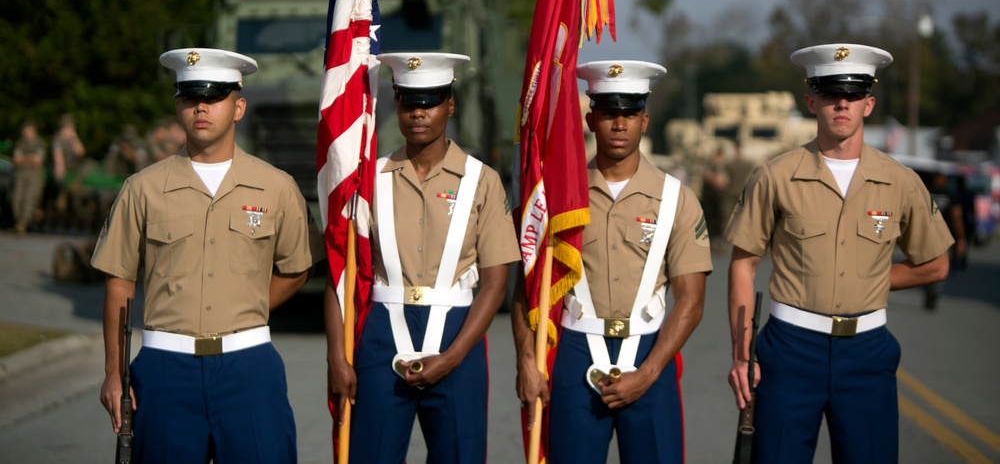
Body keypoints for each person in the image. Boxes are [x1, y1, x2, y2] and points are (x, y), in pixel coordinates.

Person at [91, 48, 324, 464]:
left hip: (249, 368)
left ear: (238, 107)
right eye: (189, 96)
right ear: (177, 106)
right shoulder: (142, 189)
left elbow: (298, 267)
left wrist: (247, 305)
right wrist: (114, 371)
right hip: (165, 370)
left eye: (214, 96)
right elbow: (120, 279)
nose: (200, 107)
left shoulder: (276, 187)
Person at [726, 43, 953, 464]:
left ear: (869, 103)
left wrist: (868, 279)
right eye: (831, 93)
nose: (842, 103)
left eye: (853, 93)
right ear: (812, 101)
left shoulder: (901, 181)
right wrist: (742, 355)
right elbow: (744, 264)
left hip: (868, 352)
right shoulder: (775, 176)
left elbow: (935, 265)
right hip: (789, 351)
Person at [513, 60, 713, 464]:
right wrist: (525, 359)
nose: (619, 124)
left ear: (644, 121)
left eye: (630, 114)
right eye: (608, 114)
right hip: (575, 355)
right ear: (590, 120)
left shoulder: (677, 199)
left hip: (649, 355)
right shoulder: (556, 199)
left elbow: (691, 302)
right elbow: (526, 289)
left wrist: (649, 373)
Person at [324, 52, 519, 464]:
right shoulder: (367, 180)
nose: (418, 113)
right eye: (408, 102)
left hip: (458, 334)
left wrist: (453, 357)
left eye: (430, 102)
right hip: (381, 336)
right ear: (396, 105)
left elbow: (495, 283)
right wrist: (336, 357)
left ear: (451, 105)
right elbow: (340, 275)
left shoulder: (482, 181)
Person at [922, 170, 968, 310]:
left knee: (928, 263)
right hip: (939, 234)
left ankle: (931, 287)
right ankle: (933, 286)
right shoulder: (949, 194)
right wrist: (961, 238)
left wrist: (961, 238)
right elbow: (957, 216)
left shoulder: (925, 192)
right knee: (935, 264)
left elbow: (956, 216)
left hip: (933, 234)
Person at [11, 120, 46, 233]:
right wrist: (30, 157)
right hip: (21, 173)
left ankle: (23, 223)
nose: (25, 133)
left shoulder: (39, 142)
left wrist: (24, 158)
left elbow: (38, 161)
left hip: (34, 174)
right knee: (17, 198)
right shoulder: (20, 143)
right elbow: (17, 160)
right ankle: (19, 221)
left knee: (29, 198)